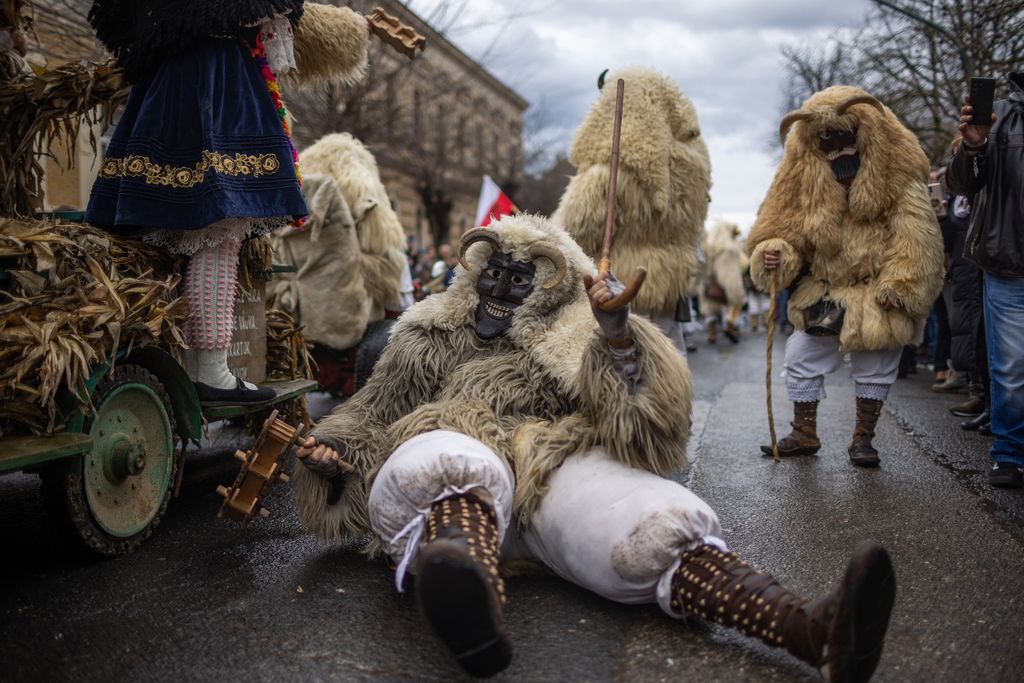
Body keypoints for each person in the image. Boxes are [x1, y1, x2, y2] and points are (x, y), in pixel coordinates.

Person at [292, 213, 896, 681]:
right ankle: (469, 590)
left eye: (520, 277)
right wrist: (334, 456)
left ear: (545, 290)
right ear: (474, 276)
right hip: (459, 477)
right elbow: (368, 416)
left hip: (549, 466)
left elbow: (649, 428)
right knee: (444, 457)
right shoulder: (425, 335)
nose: (502, 286)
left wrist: (615, 336)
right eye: (494, 272)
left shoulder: (572, 337)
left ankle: (810, 630)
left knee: (653, 524)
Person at [84, 0, 373, 405]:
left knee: (187, 230)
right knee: (218, 236)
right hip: (219, 83)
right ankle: (210, 372)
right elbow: (273, 30)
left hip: (167, 87)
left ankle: (189, 365)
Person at [748, 86, 944, 467]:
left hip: (877, 288)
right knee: (802, 356)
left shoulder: (898, 176)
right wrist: (775, 250)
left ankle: (863, 439)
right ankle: (805, 433)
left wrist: (900, 286)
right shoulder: (800, 178)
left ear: (864, 134)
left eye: (845, 135)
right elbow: (779, 227)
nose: (837, 146)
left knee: (877, 360)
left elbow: (918, 238)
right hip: (825, 289)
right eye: (826, 139)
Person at [555, 66, 711, 358]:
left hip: (615, 291)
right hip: (666, 289)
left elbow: (576, 230)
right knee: (667, 362)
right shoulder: (692, 175)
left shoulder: (606, 173)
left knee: (617, 368)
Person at [946, 72, 1024, 488]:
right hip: (1010, 262)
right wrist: (973, 144)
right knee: (1011, 369)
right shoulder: (1004, 115)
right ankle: (1009, 454)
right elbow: (960, 185)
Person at [699, 221, 745, 344]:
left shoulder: (711, 246)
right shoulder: (732, 247)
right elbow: (741, 264)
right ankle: (729, 325)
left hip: (711, 280)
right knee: (733, 303)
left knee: (710, 308)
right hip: (729, 279)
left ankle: (712, 333)